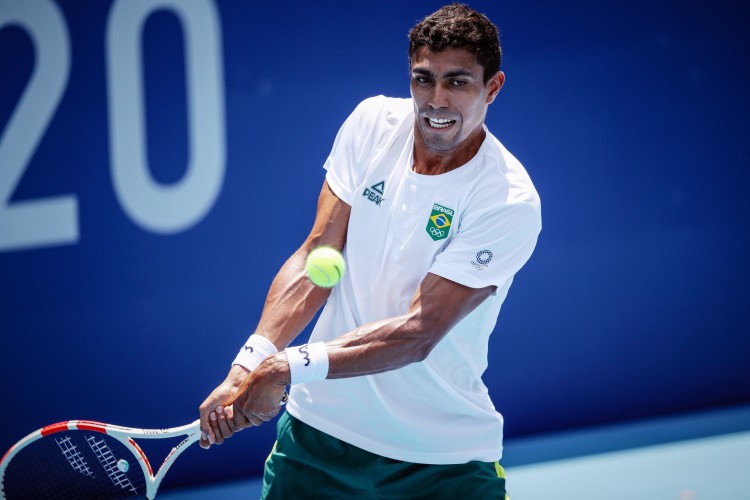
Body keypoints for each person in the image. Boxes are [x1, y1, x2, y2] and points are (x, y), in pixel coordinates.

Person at [199, 3, 541, 498]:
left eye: (458, 82)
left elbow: (419, 332)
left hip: (441, 463)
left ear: (493, 87)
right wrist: (251, 362)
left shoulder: (506, 199)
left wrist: (288, 367)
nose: (436, 101)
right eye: (423, 80)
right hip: (318, 443)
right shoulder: (371, 125)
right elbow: (318, 254)